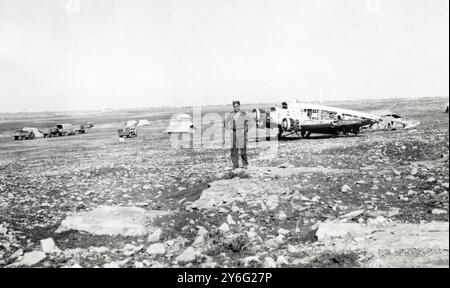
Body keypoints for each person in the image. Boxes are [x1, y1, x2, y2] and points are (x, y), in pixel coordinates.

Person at [225, 100, 249, 169]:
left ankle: (245, 164)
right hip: (234, 132)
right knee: (234, 149)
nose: (236, 107)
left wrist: (244, 131)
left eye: (237, 106)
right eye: (234, 106)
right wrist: (229, 129)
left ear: (239, 106)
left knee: (243, 149)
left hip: (241, 133)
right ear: (233, 107)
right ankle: (235, 165)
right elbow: (226, 122)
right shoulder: (231, 114)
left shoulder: (243, 113)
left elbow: (248, 124)